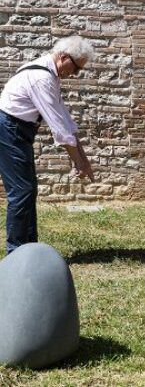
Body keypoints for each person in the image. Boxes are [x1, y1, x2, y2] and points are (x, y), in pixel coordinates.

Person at [0, 35, 95, 255]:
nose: (75, 75)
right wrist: (78, 162)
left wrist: (84, 161)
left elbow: (66, 121)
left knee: (28, 189)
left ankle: (29, 248)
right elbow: (59, 129)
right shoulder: (42, 78)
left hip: (17, 131)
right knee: (21, 191)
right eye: (76, 69)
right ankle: (16, 253)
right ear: (63, 57)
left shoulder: (50, 75)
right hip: (8, 130)